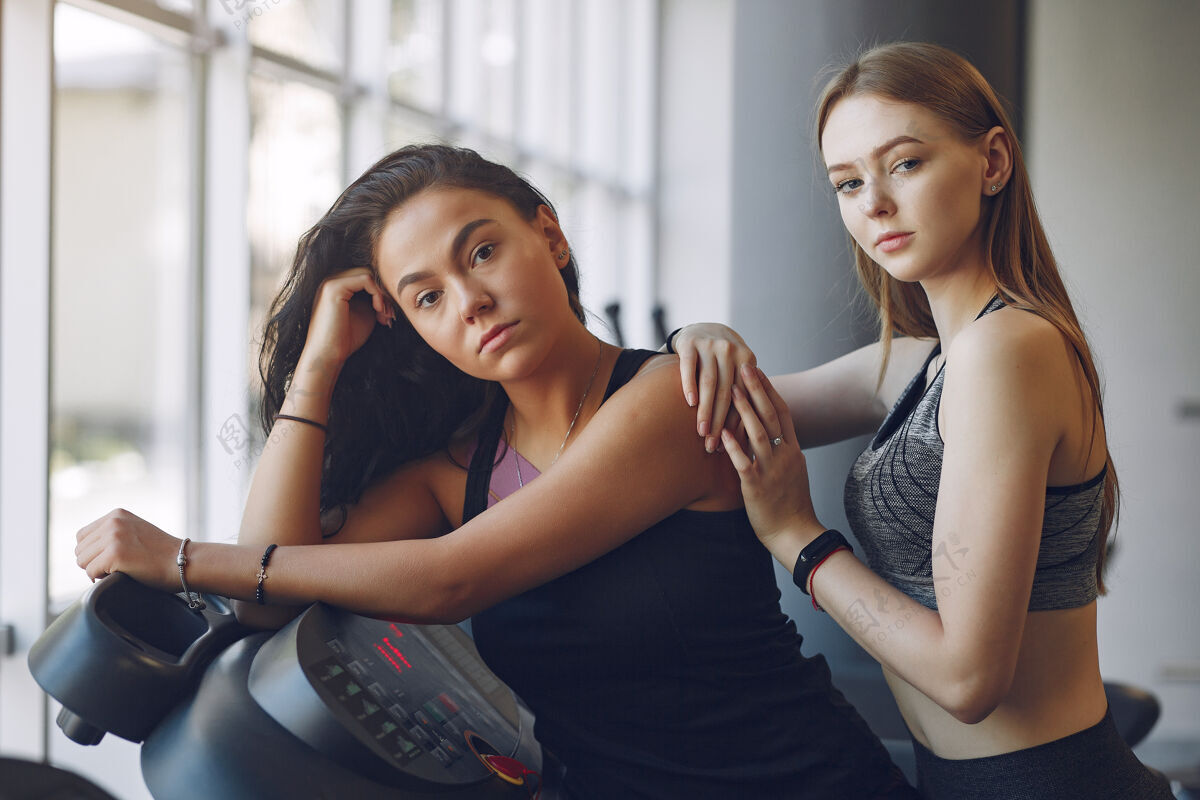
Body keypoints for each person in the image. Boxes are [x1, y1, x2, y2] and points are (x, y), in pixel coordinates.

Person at [75, 144, 917, 799]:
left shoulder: (668, 400)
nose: (468, 300)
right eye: (426, 297)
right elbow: (277, 582)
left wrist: (181, 556)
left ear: (547, 234)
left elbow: (453, 578)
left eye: (480, 252)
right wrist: (320, 363)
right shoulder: (455, 470)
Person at [670, 42, 1173, 799]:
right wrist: (699, 338)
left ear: (992, 162)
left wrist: (793, 536)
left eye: (904, 163)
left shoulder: (1009, 349)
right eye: (847, 181)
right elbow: (720, 412)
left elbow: (968, 679)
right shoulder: (922, 363)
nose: (873, 202)